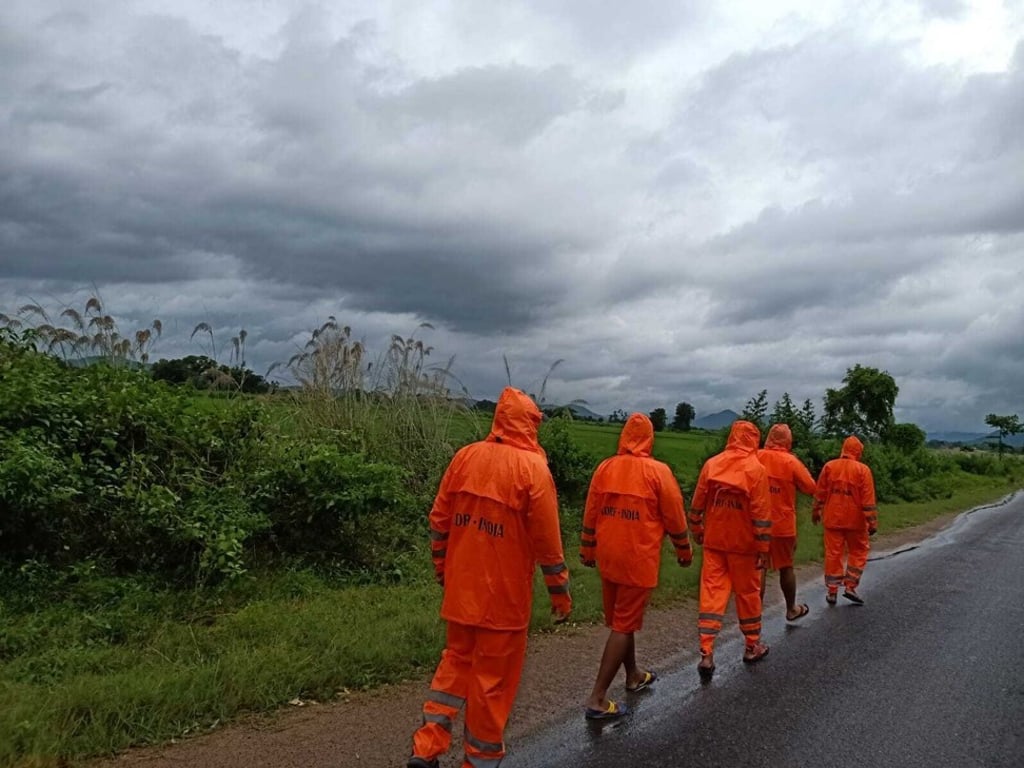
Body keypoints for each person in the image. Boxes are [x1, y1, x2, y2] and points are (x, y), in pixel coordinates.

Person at [407, 387, 572, 768]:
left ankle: (426, 747)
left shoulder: (465, 457)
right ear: (530, 424)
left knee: (454, 666)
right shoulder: (534, 471)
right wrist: (560, 594)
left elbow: (439, 521)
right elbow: (548, 545)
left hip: (461, 591)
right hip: (504, 601)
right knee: (491, 684)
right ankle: (479, 761)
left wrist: (441, 569)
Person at [579, 413, 692, 720]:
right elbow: (674, 516)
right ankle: (597, 698)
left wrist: (587, 547)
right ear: (649, 438)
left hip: (608, 556)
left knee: (621, 620)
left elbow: (591, 510)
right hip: (637, 559)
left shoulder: (605, 468)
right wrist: (684, 549)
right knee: (623, 624)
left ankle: (633, 675)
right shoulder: (658, 472)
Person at [687, 420, 772, 680]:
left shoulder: (712, 464)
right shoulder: (756, 470)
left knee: (711, 595)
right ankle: (751, 646)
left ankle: (706, 653)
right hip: (744, 546)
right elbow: (760, 514)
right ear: (753, 440)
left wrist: (698, 530)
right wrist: (763, 547)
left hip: (715, 542)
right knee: (748, 594)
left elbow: (697, 503)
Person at [756, 423, 817, 621]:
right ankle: (791, 609)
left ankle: (753, 615)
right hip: (783, 526)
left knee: (759, 568)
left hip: (757, 523)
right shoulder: (791, 462)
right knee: (786, 567)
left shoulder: (755, 456)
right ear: (788, 441)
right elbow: (810, 487)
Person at [812, 435, 878, 605]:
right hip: (855, 522)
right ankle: (850, 586)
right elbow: (868, 501)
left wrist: (816, 511)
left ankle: (832, 591)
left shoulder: (829, 467)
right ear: (858, 452)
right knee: (859, 551)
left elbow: (820, 492)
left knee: (833, 554)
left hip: (832, 519)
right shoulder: (863, 470)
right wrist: (872, 522)